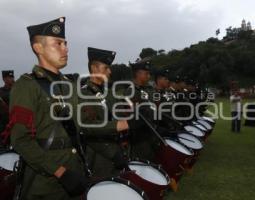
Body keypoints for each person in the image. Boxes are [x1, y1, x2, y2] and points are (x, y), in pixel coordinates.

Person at [3, 17, 88, 200]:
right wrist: (59, 172)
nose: (65, 48)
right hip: (45, 183)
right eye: (58, 43)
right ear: (38, 48)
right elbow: (21, 140)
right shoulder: (26, 86)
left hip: (75, 172)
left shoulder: (69, 85)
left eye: (65, 43)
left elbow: (82, 124)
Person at [80, 47, 129, 178]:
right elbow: (89, 128)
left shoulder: (108, 92)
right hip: (99, 157)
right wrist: (112, 153)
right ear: (94, 68)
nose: (109, 71)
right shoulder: (84, 94)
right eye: (106, 68)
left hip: (117, 147)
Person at [124, 59, 160, 162]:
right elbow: (130, 117)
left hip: (150, 133)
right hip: (139, 139)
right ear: (138, 74)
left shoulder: (144, 90)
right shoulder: (131, 91)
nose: (149, 76)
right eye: (146, 74)